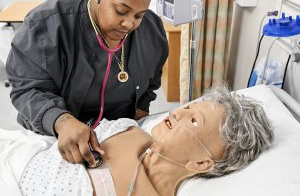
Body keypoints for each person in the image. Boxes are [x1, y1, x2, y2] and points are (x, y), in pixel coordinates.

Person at [5, 0, 168, 167]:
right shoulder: (46, 26)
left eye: (139, 15)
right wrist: (61, 121)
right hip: (53, 134)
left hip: (113, 134)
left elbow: (151, 79)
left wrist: (140, 117)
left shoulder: (152, 32)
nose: (129, 24)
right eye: (121, 11)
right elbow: (26, 88)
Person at [19, 84, 274, 196]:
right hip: (17, 153)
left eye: (194, 120)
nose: (177, 111)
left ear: (200, 163)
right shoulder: (129, 129)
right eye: (188, 108)